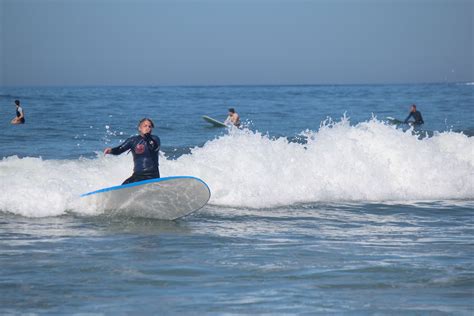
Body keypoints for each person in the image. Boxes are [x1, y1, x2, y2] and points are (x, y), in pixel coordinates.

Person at [104, 118, 161, 185]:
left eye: (150, 126)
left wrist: (147, 136)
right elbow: (119, 149)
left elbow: (153, 147)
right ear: (140, 128)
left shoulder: (155, 139)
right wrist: (111, 150)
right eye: (145, 126)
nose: (148, 128)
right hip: (138, 175)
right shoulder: (133, 141)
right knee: (124, 185)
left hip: (152, 175)